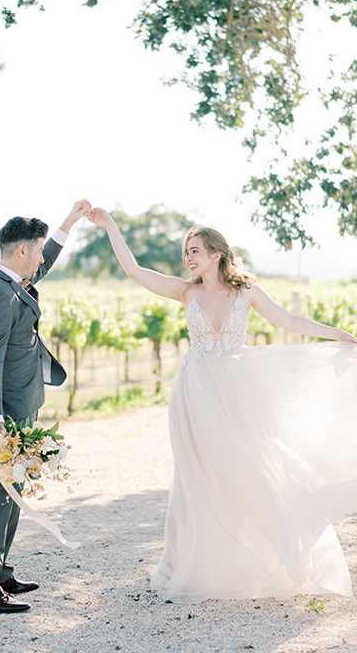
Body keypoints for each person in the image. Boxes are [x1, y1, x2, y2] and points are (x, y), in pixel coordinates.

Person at [87, 208, 357, 602]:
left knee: (252, 467)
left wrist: (337, 335)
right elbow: (134, 271)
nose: (188, 258)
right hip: (195, 392)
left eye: (195, 250)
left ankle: (268, 556)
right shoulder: (185, 291)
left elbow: (289, 319)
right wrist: (110, 226)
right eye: (186, 252)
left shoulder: (246, 291)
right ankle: (201, 560)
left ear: (216, 253)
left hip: (237, 390)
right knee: (198, 474)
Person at [0, 200, 91, 614]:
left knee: (14, 487)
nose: (41, 260)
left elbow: (47, 262)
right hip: (6, 411)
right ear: (22, 251)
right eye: (37, 250)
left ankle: (0, 571)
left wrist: (69, 224)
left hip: (25, 402)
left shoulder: (11, 280)